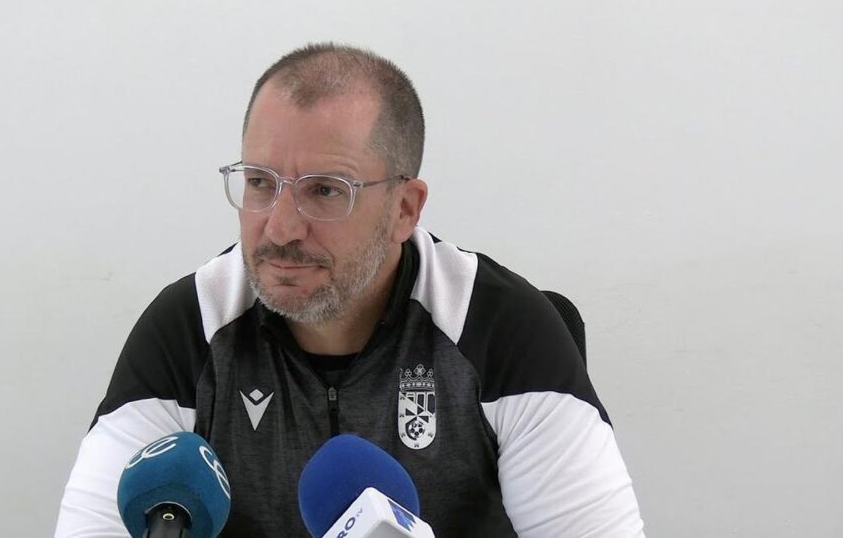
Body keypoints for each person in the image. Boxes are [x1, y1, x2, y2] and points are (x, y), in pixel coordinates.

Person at [55, 43, 645, 537]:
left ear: (404, 209)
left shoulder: (501, 330)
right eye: (260, 182)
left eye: (324, 191)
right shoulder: (188, 329)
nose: (280, 228)